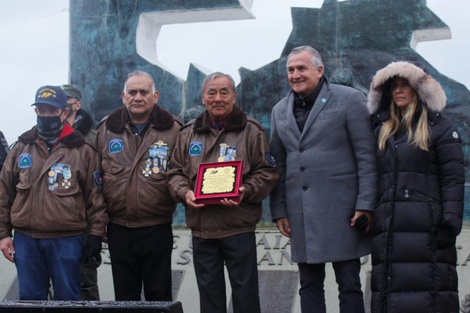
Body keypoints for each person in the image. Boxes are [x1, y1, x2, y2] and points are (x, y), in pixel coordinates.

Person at [269, 45, 378, 313]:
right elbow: (278, 165)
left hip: (343, 212)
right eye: (291, 70)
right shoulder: (279, 110)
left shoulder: (349, 99)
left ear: (319, 70)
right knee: (308, 285)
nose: (295, 74)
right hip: (301, 214)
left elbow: (366, 156)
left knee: (349, 283)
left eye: (301, 68)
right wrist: (279, 210)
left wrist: (365, 204)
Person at [167, 72, 279, 313]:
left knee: (246, 297)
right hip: (203, 230)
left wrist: (245, 190)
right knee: (210, 300)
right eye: (212, 93)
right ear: (203, 98)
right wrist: (185, 193)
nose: (218, 98)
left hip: (238, 228)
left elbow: (267, 172)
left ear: (234, 97)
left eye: (224, 92)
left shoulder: (251, 131)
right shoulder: (188, 134)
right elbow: (174, 173)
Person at [367, 61, 465, 313]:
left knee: (427, 299)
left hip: (427, 232)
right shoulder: (381, 129)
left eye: (405, 85)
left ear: (418, 90)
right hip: (388, 232)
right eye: (394, 86)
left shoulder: (440, 128)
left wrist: (449, 223)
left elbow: (452, 179)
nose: (398, 91)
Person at [0, 85, 107, 300]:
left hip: (66, 239)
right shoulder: (21, 148)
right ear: (36, 112)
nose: (46, 115)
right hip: (26, 239)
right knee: (30, 300)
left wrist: (96, 233)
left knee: (68, 300)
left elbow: (95, 197)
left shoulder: (83, 150)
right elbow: (4, 193)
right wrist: (3, 234)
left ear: (64, 112)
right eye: (41, 110)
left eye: (52, 111)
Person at [95, 70, 181, 301]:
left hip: (157, 227)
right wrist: (99, 223)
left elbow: (181, 173)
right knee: (124, 298)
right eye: (132, 92)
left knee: (159, 296)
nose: (138, 97)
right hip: (118, 229)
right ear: (123, 96)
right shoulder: (106, 129)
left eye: (144, 92)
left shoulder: (174, 130)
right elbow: (96, 180)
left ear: (156, 96)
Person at [62, 84, 100, 301]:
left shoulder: (94, 138)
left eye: (68, 101)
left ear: (77, 104)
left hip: (84, 223)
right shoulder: (44, 137)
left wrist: (97, 227)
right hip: (56, 223)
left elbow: (100, 184)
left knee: (86, 284)